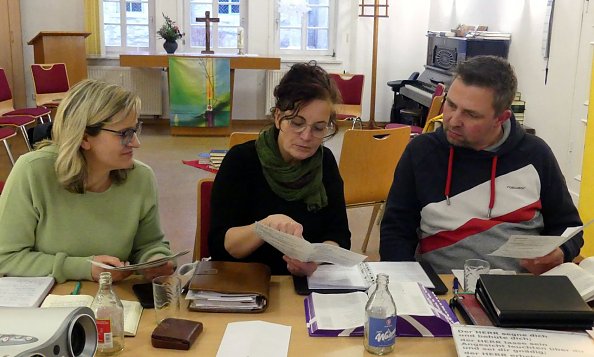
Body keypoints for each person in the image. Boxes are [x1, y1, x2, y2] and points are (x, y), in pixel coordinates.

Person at [380, 55, 583, 274]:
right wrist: (406, 285)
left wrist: (561, 251)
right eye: (451, 104)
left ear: (501, 118)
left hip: (517, 288)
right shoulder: (421, 152)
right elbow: (395, 232)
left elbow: (570, 228)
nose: (453, 120)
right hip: (444, 287)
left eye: (471, 114)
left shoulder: (536, 154)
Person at [0, 79, 174, 283]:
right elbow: (6, 258)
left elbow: (149, 245)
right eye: (124, 133)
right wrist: (82, 268)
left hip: (114, 302)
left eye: (135, 130)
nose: (136, 143)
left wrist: (155, 260)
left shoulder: (141, 177)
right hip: (47, 305)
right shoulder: (33, 171)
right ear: (83, 137)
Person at [208, 62, 351, 276]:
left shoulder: (325, 163)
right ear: (277, 118)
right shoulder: (242, 161)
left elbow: (339, 236)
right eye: (296, 123)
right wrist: (264, 227)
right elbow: (220, 245)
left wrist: (315, 263)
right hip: (247, 285)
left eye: (319, 128)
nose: (306, 136)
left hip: (304, 287)